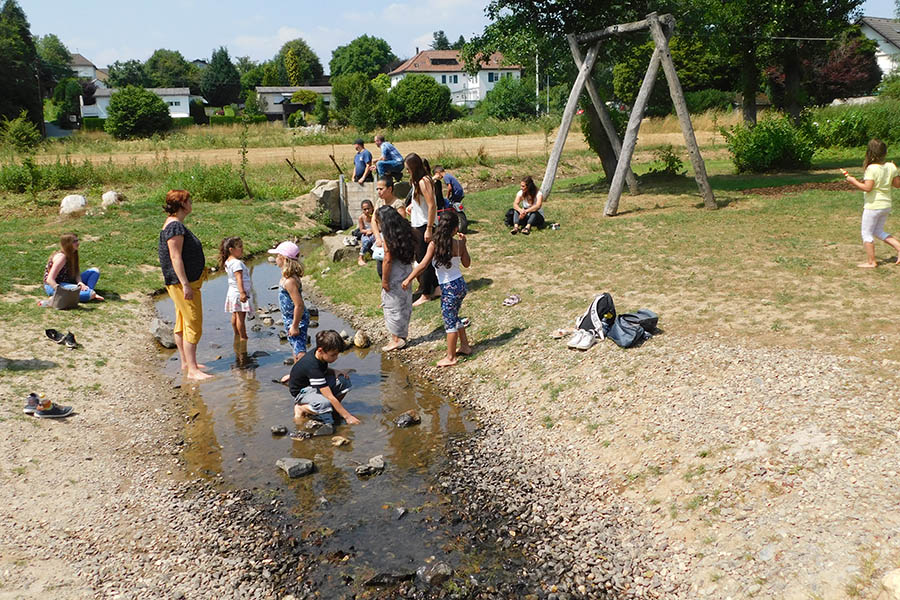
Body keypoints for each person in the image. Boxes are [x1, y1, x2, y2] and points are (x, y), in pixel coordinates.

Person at [403, 211, 472, 367]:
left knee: (449, 322)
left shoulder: (434, 245)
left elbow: (422, 265)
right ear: (455, 229)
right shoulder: (458, 244)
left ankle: (451, 357)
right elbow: (467, 264)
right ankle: (465, 347)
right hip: (460, 285)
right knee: (454, 315)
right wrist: (464, 245)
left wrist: (408, 279)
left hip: (448, 288)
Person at [158, 190, 212, 380]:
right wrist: (185, 284)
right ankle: (192, 371)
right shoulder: (175, 228)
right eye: (189, 201)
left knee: (182, 321)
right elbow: (175, 257)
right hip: (182, 284)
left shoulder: (174, 225)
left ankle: (187, 363)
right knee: (193, 323)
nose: (191, 203)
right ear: (181, 205)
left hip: (181, 283)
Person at [843, 138, 900, 268]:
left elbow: (868, 188)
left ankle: (871, 261)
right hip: (886, 205)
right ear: (884, 153)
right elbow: (897, 184)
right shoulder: (891, 166)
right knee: (878, 231)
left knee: (866, 233)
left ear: (869, 153)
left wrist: (853, 181)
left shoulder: (871, 169)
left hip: (873, 206)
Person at [289, 329, 360, 425]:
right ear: (320, 350)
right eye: (333, 355)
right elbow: (329, 396)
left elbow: (323, 370)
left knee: (344, 381)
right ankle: (301, 407)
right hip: (301, 391)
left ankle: (334, 409)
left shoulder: (320, 355)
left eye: (337, 354)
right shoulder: (312, 367)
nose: (336, 357)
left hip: (312, 385)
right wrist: (348, 416)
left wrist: (335, 371)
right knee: (324, 404)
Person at [375, 205, 415, 351]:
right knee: (404, 303)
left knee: (392, 305)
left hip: (395, 272)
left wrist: (385, 280)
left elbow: (388, 259)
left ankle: (396, 339)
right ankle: (402, 336)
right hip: (406, 270)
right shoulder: (405, 229)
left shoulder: (388, 235)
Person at [270, 241, 309, 382]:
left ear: (284, 259)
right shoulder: (287, 278)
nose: (275, 260)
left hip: (295, 319)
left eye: (277, 256)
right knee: (295, 346)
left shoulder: (290, 281)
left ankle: (307, 375)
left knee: (300, 350)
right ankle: (297, 373)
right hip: (290, 318)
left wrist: (294, 325)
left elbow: (299, 305)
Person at [405, 152, 440, 306]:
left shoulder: (423, 181)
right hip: (419, 222)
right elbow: (425, 203)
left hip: (424, 225)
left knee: (422, 260)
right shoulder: (421, 180)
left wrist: (429, 228)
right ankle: (437, 287)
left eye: (408, 169)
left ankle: (426, 293)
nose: (407, 172)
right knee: (428, 258)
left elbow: (432, 204)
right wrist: (413, 206)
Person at [42, 233, 104, 303]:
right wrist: (61, 291)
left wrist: (80, 283)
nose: (78, 243)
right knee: (89, 294)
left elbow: (76, 272)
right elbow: (49, 279)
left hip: (68, 280)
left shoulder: (73, 253)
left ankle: (89, 291)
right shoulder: (61, 257)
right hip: (54, 285)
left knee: (95, 271)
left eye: (77, 240)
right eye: (74, 242)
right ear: (67, 244)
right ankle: (58, 296)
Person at [371, 175, 405, 279]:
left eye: (381, 189)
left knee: (393, 269)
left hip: (394, 241)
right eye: (377, 189)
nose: (378, 192)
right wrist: (378, 237)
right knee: (381, 270)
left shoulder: (398, 204)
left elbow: (402, 224)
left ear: (390, 189)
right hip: (381, 240)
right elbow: (373, 220)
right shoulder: (379, 202)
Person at [219, 236, 252, 340]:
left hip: (232, 292)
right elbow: (239, 279)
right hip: (239, 293)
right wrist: (242, 293)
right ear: (231, 250)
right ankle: (243, 337)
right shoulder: (237, 263)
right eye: (240, 247)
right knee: (241, 317)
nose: (242, 249)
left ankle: (236, 335)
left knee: (235, 314)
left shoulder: (228, 261)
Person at [357, 199, 376, 266]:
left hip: (375, 232)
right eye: (365, 209)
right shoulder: (361, 218)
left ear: (372, 208)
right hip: (366, 234)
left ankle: (377, 255)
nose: (367, 211)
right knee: (366, 241)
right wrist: (367, 231)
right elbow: (361, 230)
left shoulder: (375, 215)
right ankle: (360, 257)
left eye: (368, 208)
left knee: (375, 239)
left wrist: (372, 231)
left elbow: (379, 227)